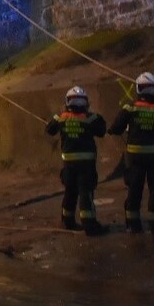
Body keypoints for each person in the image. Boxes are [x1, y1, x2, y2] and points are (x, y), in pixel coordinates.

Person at [109, 72, 154, 234]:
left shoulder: (130, 106)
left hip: (134, 158)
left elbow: (117, 127)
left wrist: (112, 130)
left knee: (134, 189)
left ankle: (133, 224)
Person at [45, 86, 109, 236]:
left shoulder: (61, 117)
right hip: (86, 165)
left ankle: (67, 221)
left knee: (70, 191)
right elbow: (101, 131)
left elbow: (49, 129)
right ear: (85, 103)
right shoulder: (90, 118)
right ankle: (90, 225)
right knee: (85, 193)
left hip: (69, 165)